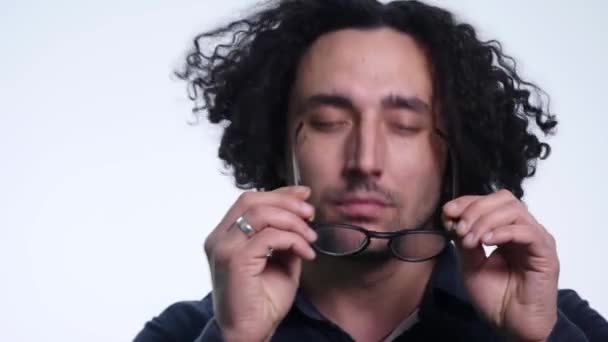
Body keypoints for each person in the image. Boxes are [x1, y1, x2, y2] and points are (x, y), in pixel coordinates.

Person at [135, 0, 608, 341]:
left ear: (455, 152)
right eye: (327, 122)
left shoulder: (554, 321)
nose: (365, 161)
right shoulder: (186, 332)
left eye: (404, 125)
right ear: (279, 147)